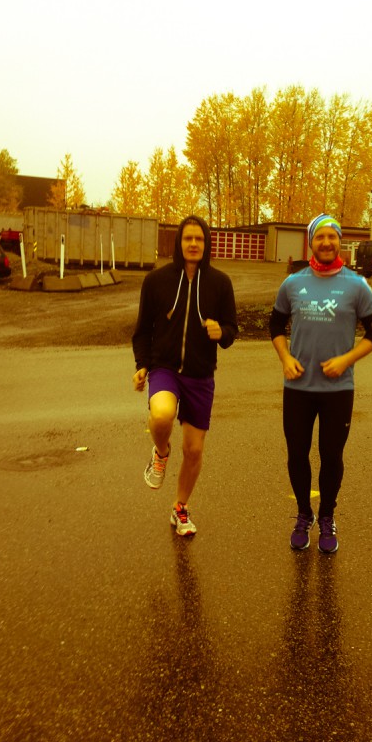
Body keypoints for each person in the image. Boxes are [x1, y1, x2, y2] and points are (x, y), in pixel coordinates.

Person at [269, 213, 372, 554]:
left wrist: (346, 360)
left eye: (331, 236)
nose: (326, 242)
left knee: (331, 456)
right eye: (319, 237)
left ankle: (327, 517)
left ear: (339, 241)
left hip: (338, 391)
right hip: (298, 389)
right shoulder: (293, 284)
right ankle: (304, 515)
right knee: (297, 455)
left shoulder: (357, 285)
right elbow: (275, 327)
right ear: (311, 242)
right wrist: (285, 357)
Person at [132, 215, 238, 536]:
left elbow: (232, 331)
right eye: (188, 238)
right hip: (164, 368)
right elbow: (142, 331)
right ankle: (160, 453)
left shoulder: (220, 284)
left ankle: (180, 508)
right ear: (179, 243)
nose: (193, 244)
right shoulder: (157, 281)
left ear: (206, 245)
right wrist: (142, 365)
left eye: (199, 239)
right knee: (161, 415)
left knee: (193, 451)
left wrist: (222, 333)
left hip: (200, 374)